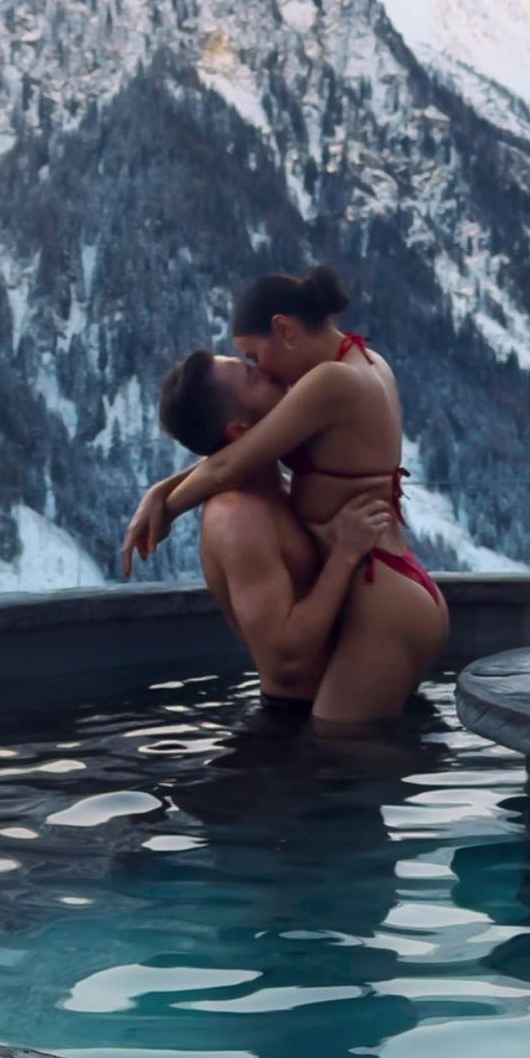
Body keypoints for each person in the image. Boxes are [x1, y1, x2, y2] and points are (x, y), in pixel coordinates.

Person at [122, 266, 449, 722]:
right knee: (364, 761)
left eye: (255, 358)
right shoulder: (364, 362)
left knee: (342, 760)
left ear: (284, 330)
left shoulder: (330, 381)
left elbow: (233, 461)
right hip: (390, 586)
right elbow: (245, 450)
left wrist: (167, 506)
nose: (264, 371)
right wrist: (163, 489)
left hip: (382, 598)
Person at [133, 349, 392, 711]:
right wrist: (344, 555)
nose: (271, 373)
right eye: (256, 378)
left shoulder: (281, 487)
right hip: (303, 735)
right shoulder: (237, 517)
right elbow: (286, 663)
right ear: (239, 429)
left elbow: (230, 462)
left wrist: (164, 491)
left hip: (346, 708)